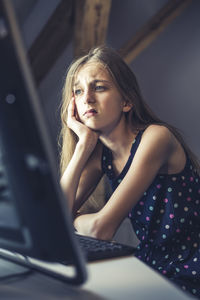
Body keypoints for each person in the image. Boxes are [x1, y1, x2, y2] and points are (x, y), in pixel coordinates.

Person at [59, 45, 200, 298]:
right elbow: (54, 217)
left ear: (126, 101)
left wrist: (71, 219)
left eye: (99, 87)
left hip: (191, 271)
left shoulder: (156, 137)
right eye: (78, 91)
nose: (87, 98)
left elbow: (100, 230)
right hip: (150, 266)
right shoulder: (100, 154)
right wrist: (82, 146)